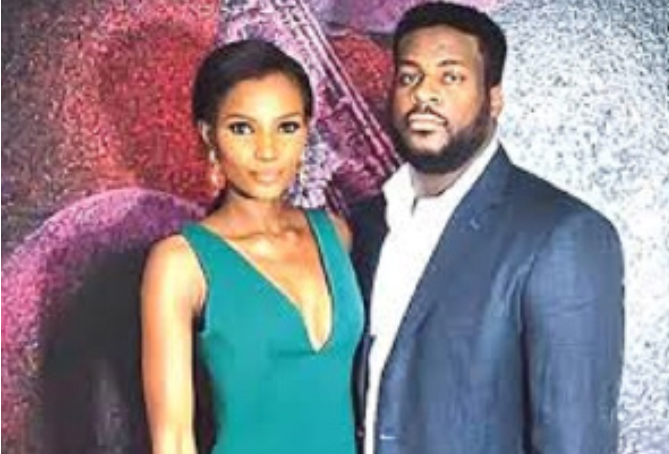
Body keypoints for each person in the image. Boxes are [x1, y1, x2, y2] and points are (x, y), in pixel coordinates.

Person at [349, 3, 625, 454]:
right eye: (409, 76)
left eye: (451, 76)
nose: (424, 93)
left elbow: (575, 440)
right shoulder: (366, 225)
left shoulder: (562, 235)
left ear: (494, 99)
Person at [141, 39, 363, 454]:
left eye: (287, 127)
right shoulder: (181, 263)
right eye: (242, 128)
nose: (267, 151)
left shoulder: (337, 235)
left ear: (307, 131)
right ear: (209, 135)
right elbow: (173, 440)